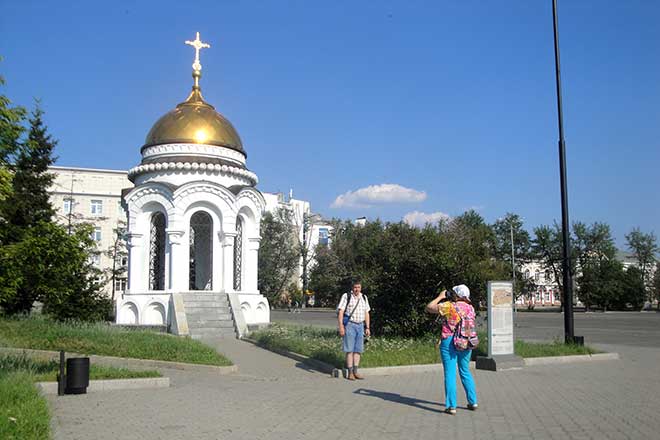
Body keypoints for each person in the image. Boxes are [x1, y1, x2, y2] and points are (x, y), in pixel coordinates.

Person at [426, 284, 478, 415]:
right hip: (466, 340)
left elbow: (429, 307)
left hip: (449, 341)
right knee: (465, 370)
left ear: (457, 295)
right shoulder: (471, 308)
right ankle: (473, 401)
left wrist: (440, 297)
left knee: (450, 373)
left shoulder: (449, 306)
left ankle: (451, 406)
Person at [337, 280, 371, 380]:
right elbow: (341, 312)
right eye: (355, 287)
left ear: (361, 288)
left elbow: (366, 313)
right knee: (349, 350)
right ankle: (350, 372)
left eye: (358, 287)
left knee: (358, 350)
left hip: (360, 326)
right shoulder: (346, 296)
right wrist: (341, 327)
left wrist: (367, 327)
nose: (357, 289)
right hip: (350, 325)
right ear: (352, 288)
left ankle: (356, 371)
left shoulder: (364, 297)